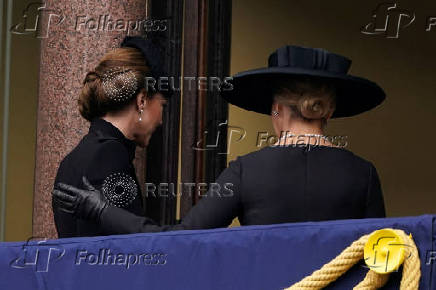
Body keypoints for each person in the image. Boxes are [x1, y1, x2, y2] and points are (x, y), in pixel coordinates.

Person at [53, 45, 386, 236]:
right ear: (328, 113)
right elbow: (381, 260)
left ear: (275, 110)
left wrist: (102, 211)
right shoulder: (364, 174)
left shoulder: (246, 172)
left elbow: (179, 242)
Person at [52, 36, 169, 238]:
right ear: (142, 100)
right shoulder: (109, 154)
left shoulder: (75, 157)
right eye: (162, 104)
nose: (160, 120)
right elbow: (125, 247)